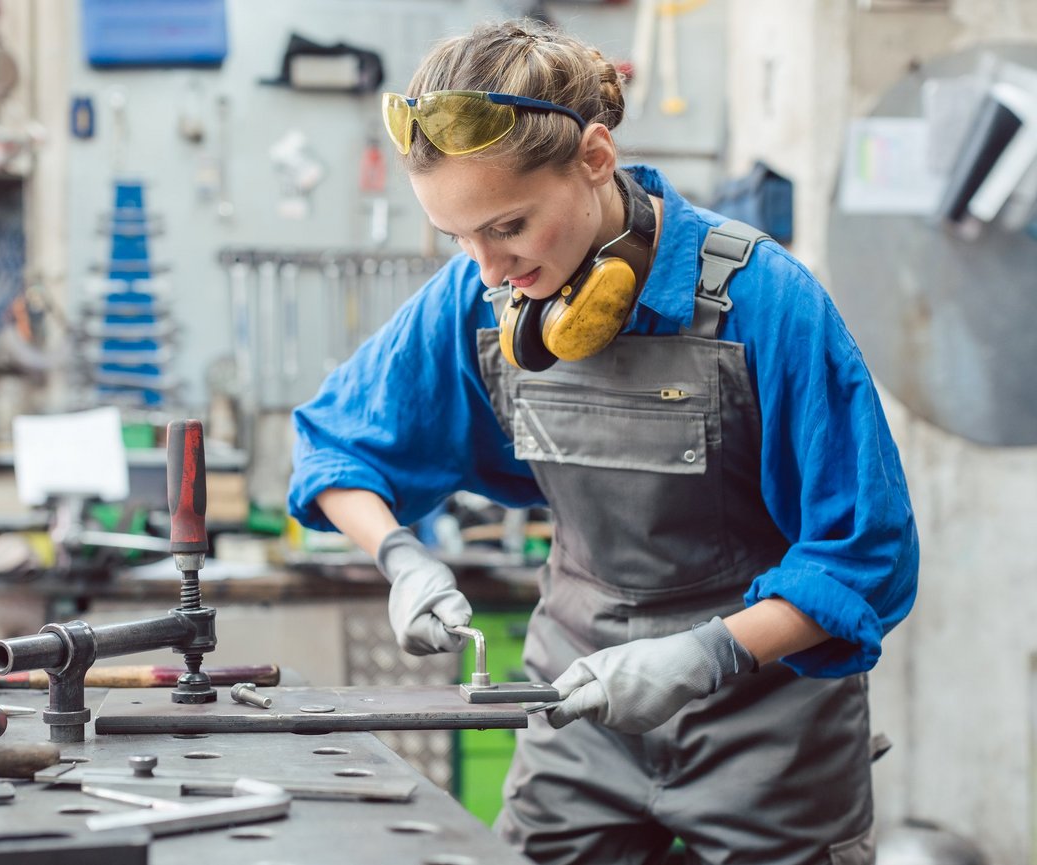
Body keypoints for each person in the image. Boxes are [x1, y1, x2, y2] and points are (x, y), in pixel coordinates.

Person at [287, 18, 917, 865]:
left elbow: (865, 552)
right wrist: (402, 556)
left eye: (508, 225)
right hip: (576, 707)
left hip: (770, 722)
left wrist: (711, 651)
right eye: (458, 237)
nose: (487, 267)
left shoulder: (766, 300)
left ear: (593, 158)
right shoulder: (478, 304)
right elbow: (335, 444)